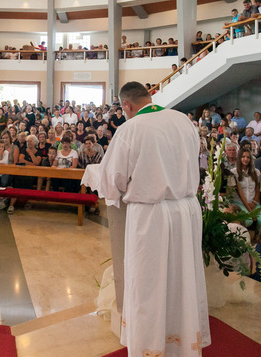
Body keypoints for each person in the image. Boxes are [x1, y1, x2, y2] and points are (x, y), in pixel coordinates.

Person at [85, 81, 209, 356]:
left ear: (126, 106)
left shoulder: (131, 128)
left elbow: (114, 179)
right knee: (181, 281)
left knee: (148, 285)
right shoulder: (183, 121)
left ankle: (150, 347)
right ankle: (182, 344)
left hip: (151, 216)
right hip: (186, 211)